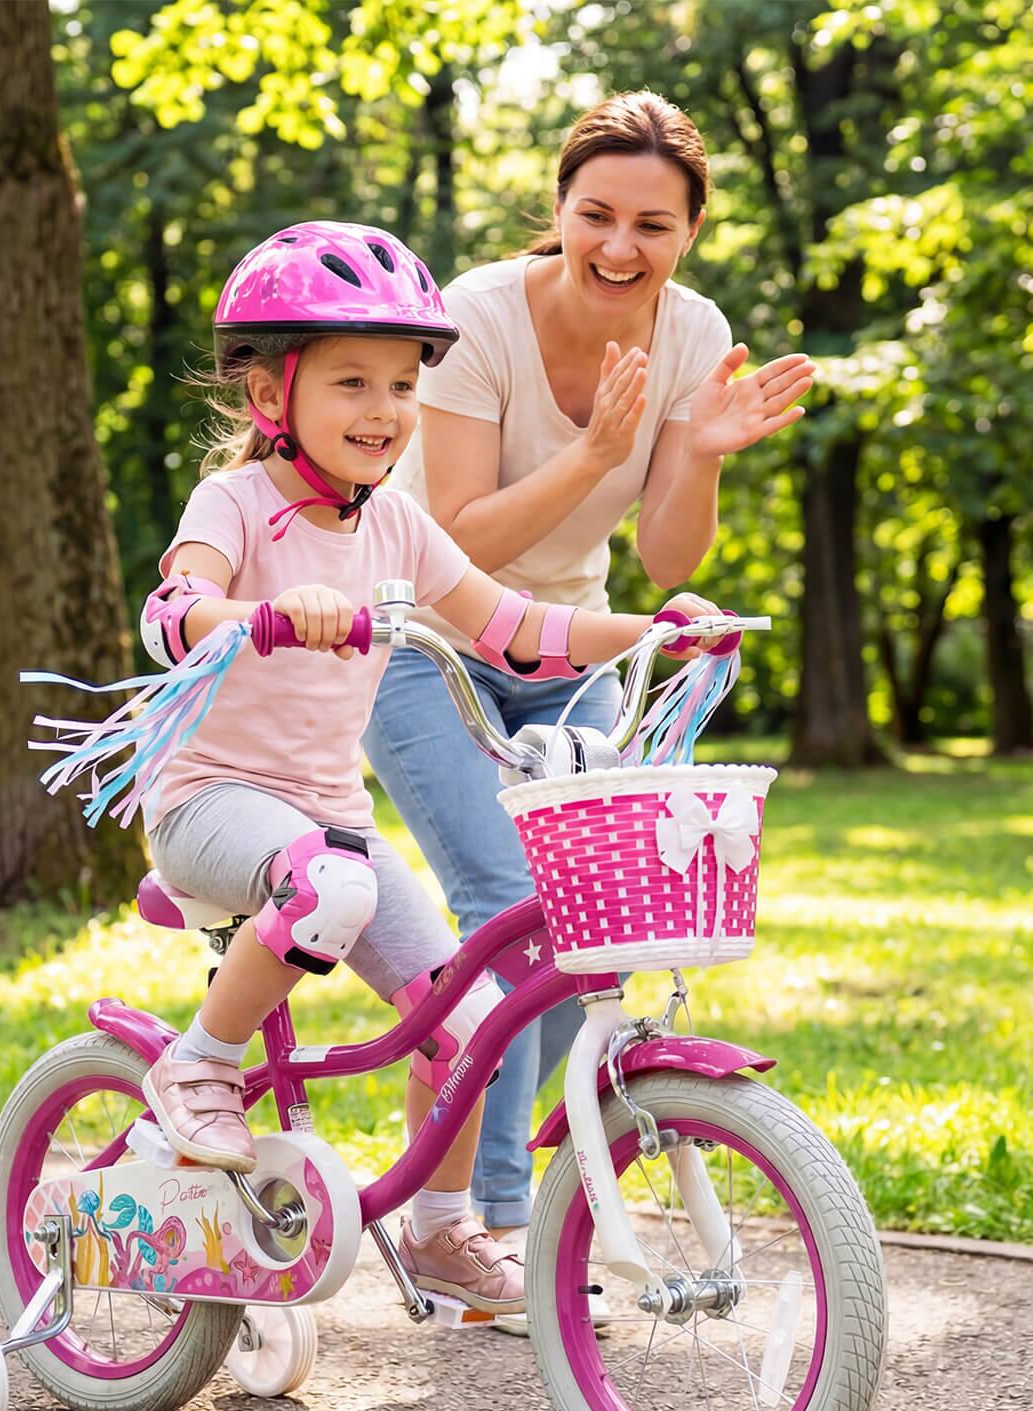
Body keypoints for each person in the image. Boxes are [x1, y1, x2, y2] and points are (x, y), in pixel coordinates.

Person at [122, 220, 726, 1316]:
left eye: (402, 383)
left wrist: (653, 629)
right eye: (351, 381)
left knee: (472, 1018)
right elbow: (173, 609)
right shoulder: (236, 505)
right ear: (271, 399)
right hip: (208, 807)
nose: (385, 410)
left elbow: (516, 628)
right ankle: (198, 1063)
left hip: (324, 825)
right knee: (333, 883)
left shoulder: (396, 525)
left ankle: (444, 1228)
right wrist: (256, 616)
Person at [364, 91, 814, 1253]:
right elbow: (459, 540)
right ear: (558, 210)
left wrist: (696, 452)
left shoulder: (696, 338)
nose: (621, 246)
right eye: (597, 214)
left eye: (652, 225)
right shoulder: (473, 320)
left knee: (593, 933)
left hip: (570, 656)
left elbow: (665, 554)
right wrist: (600, 452)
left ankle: (498, 1190)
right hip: (425, 649)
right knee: (508, 917)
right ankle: (475, 1226)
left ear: (689, 233)